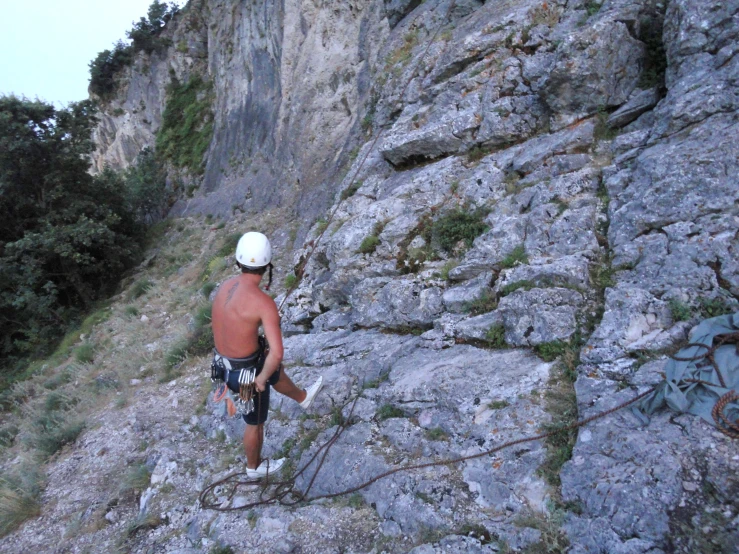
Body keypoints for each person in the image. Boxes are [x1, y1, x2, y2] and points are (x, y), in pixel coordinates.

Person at [210, 231, 323, 478]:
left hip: (223, 364)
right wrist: (259, 380)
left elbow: (227, 323)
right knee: (255, 422)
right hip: (246, 375)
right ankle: (254, 467)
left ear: (239, 261)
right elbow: (278, 353)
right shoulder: (263, 303)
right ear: (266, 265)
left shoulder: (226, 286)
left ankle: (303, 398)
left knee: (273, 370)